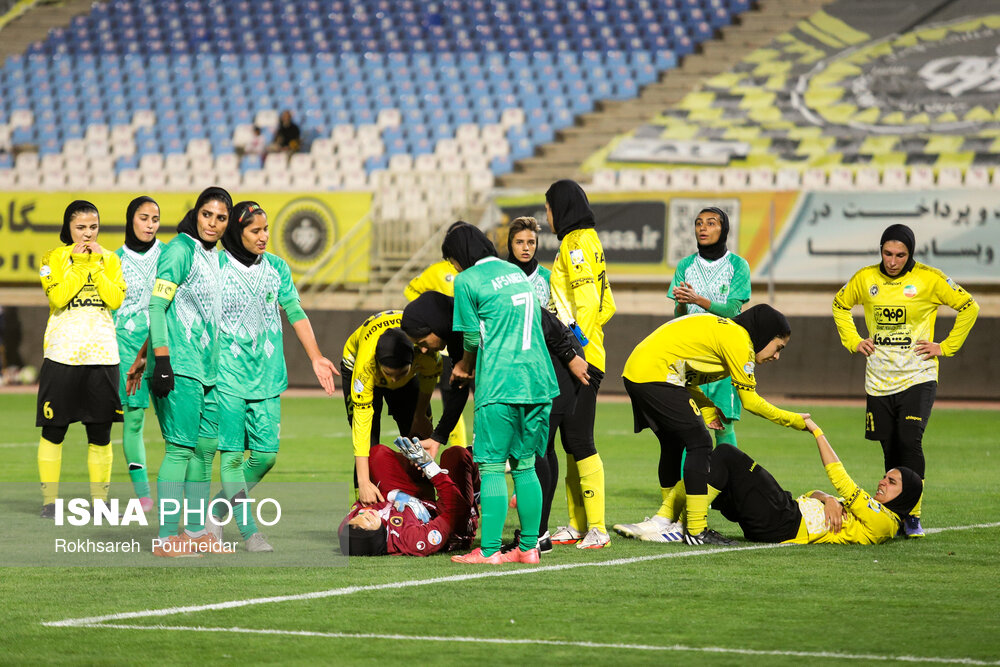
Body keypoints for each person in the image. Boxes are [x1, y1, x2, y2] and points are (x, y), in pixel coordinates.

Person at [205, 201, 339, 552]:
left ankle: (217, 509)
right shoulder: (214, 265)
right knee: (232, 457)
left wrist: (316, 358)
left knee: (265, 457)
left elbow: (295, 311)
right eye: (255, 231)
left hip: (267, 376)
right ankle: (251, 534)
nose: (264, 237)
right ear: (237, 232)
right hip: (226, 376)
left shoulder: (277, 267)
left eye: (266, 230)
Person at [616, 305, 809, 545]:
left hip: (639, 371)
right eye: (778, 347)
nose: (777, 356)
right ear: (765, 333)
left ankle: (665, 523)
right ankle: (695, 530)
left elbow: (686, 372)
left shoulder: (726, 332)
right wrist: (794, 420)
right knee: (700, 443)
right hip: (655, 374)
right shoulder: (740, 339)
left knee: (674, 444)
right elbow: (750, 401)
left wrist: (707, 408)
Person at [832, 223, 979, 538]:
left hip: (918, 374)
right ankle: (894, 513)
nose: (893, 261)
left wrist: (945, 347)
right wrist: (853, 340)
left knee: (910, 440)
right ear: (881, 250)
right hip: (879, 378)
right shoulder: (865, 278)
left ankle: (913, 515)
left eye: (901, 255)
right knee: (890, 447)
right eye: (887, 253)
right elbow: (840, 305)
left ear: (910, 254)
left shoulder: (930, 279)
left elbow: (969, 306)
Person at [444, 223, 559, 565]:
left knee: (493, 467)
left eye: (453, 261)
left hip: (500, 382)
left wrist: (465, 366)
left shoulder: (467, 281)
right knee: (525, 467)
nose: (455, 269)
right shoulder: (514, 272)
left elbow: (471, 339)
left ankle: (490, 550)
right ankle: (528, 548)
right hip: (538, 380)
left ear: (459, 256)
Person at [145, 186, 232, 557]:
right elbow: (155, 306)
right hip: (179, 365)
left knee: (206, 449)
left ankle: (195, 533)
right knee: (180, 449)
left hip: (208, 370)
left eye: (221, 217)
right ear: (195, 214)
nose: (212, 223)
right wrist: (161, 360)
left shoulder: (214, 255)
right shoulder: (180, 250)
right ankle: (166, 538)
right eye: (207, 215)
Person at [671, 420, 923, 545]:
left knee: (726, 454)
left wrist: (817, 431)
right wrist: (828, 499)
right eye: (885, 477)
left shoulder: (884, 521)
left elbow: (841, 479)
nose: (882, 482)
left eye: (892, 482)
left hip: (785, 519)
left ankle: (689, 528)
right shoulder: (868, 510)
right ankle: (674, 523)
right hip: (782, 514)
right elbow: (813, 493)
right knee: (718, 476)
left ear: (906, 496)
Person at [36, 201, 126, 518]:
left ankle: (99, 502)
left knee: (100, 434)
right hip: (62, 354)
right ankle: (50, 502)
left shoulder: (111, 259)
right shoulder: (53, 259)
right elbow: (59, 297)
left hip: (102, 354)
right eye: (81, 227)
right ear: (68, 228)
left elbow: (114, 299)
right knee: (54, 430)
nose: (88, 234)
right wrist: (78, 263)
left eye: (93, 227)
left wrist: (96, 265)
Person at [544, 179, 615, 549]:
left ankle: (598, 528)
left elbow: (587, 305)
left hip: (579, 358)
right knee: (572, 441)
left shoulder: (574, 244)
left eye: (549, 208)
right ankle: (577, 525)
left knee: (580, 440)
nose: (547, 215)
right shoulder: (591, 242)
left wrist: (578, 351)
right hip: (584, 352)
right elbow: (608, 305)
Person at [667, 207, 750, 447]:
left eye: (711, 223)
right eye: (699, 223)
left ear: (724, 229)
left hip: (724, 353)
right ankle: (686, 484)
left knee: (723, 422)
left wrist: (698, 300)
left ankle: (729, 480)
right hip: (690, 351)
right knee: (689, 424)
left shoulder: (738, 265)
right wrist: (682, 304)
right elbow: (678, 313)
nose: (703, 228)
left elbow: (734, 309)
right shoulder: (685, 265)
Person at [341, 311, 442, 506]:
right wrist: (363, 482)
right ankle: (364, 506)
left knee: (419, 438)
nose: (393, 381)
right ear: (378, 364)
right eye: (388, 374)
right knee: (369, 441)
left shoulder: (427, 352)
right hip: (356, 364)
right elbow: (361, 427)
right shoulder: (365, 367)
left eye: (400, 374)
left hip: (406, 373)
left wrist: (420, 414)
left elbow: (428, 382)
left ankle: (426, 502)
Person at [338, 438, 478, 557]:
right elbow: (454, 511)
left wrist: (394, 495)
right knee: (456, 455)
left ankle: (419, 472)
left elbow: (356, 520)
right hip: (449, 517)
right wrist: (429, 467)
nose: (365, 512)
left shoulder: (351, 529)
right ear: (377, 536)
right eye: (367, 519)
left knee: (378, 455)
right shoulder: (411, 539)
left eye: (358, 515)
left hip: (413, 500)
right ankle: (475, 489)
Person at [113, 196, 161, 512]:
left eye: (155, 219)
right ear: (131, 219)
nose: (149, 224)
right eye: (144, 218)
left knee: (179, 423)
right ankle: (143, 496)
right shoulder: (112, 260)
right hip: (126, 347)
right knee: (133, 423)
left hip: (164, 344)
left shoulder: (169, 255)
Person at [403, 256, 466, 448]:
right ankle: (461, 450)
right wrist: (439, 437)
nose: (422, 349)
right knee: (455, 397)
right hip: (448, 346)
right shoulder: (436, 270)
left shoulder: (472, 276)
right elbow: (409, 289)